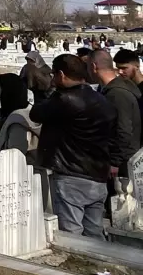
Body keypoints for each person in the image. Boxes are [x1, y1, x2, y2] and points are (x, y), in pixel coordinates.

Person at [31, 53, 115, 236]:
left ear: (61, 74)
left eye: (53, 74)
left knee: (71, 234)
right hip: (98, 173)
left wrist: (50, 91)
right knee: (94, 231)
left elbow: (36, 113)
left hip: (71, 174)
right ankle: (98, 263)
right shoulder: (100, 99)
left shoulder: (64, 99)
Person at [91, 49, 141, 183]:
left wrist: (115, 162)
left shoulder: (116, 94)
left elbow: (123, 130)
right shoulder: (116, 88)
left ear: (94, 67)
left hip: (124, 163)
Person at [0, 73, 40, 157]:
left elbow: (12, 155)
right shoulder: (23, 113)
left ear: (8, 91)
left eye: (0, 87)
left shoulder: (17, 120)